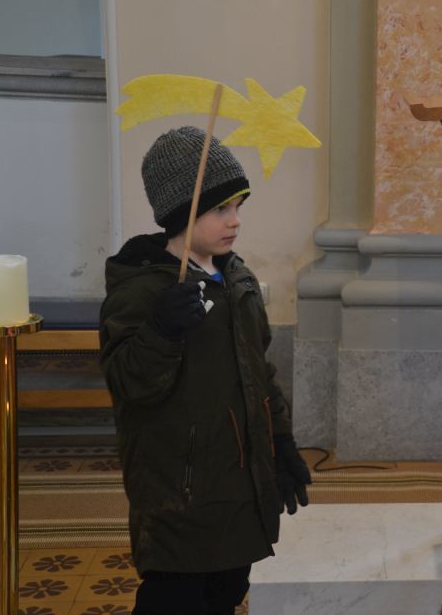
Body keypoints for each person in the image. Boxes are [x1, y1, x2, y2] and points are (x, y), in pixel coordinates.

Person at [99, 126, 312, 614]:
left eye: (239, 206)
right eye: (220, 209)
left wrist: (279, 443)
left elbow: (260, 371)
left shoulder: (237, 278)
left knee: (227, 590)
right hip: (178, 489)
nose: (235, 221)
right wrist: (161, 330)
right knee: (173, 599)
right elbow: (128, 383)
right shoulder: (142, 290)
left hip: (240, 480)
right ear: (181, 213)